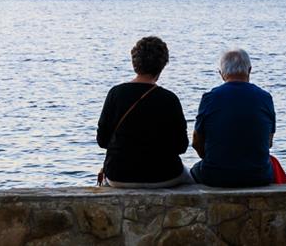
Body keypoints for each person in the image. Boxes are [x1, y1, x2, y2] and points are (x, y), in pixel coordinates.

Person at [96, 36, 193, 188]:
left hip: (119, 175)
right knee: (192, 178)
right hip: (164, 175)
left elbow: (102, 141)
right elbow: (181, 146)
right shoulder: (169, 99)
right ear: (162, 65)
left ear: (134, 63)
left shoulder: (115, 94)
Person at [190, 48, 276, 187]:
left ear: (221, 73)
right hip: (258, 176)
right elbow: (268, 143)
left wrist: (213, 158)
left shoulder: (210, 98)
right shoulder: (265, 98)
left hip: (215, 176)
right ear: (249, 70)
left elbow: (196, 142)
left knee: (193, 171)